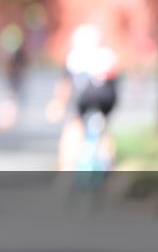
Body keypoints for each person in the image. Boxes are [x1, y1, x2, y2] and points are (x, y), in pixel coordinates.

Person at [45, 24, 120, 171]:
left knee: (73, 128)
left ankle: (66, 167)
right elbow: (115, 82)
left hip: (84, 98)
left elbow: (65, 85)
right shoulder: (109, 55)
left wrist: (58, 103)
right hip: (107, 99)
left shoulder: (75, 56)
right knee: (104, 131)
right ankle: (110, 164)